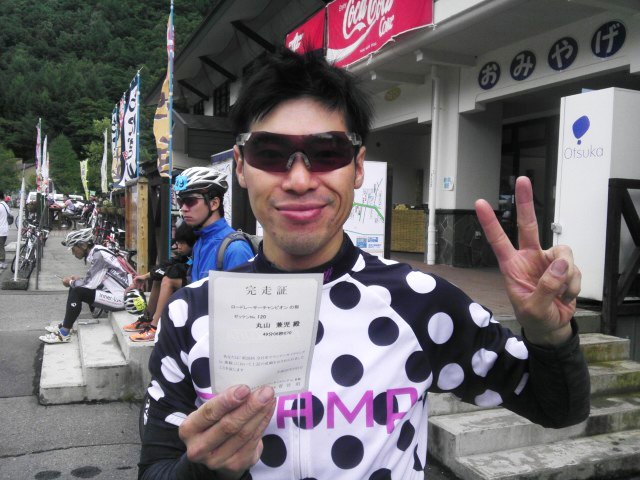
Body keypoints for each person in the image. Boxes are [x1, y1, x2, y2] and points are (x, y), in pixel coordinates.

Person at [138, 50, 589, 479]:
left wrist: (550, 335)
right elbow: (155, 467)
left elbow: (558, 408)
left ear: (357, 167)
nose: (299, 179)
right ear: (240, 167)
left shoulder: (420, 302)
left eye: (328, 152)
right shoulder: (189, 314)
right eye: (270, 154)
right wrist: (203, 470)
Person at [39, 228, 130, 344]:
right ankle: (66, 325)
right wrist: (78, 280)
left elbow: (90, 285)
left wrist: (70, 282)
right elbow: (96, 279)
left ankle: (64, 334)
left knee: (77, 290)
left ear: (83, 245)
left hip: (120, 299)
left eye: (73, 249)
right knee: (76, 287)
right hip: (113, 292)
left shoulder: (99, 256)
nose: (73, 253)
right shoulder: (97, 251)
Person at [174, 166, 254, 281]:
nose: (183, 208)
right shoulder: (199, 242)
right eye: (180, 202)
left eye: (190, 201)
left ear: (214, 203)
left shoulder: (236, 249)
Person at [123, 221, 197, 342]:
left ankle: (155, 327)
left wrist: (161, 272)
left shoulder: (197, 250)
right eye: (178, 242)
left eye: (182, 243)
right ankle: (147, 318)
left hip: (198, 284)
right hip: (190, 279)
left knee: (167, 280)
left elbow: (176, 271)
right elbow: (168, 265)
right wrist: (145, 276)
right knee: (158, 277)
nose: (179, 246)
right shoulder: (187, 253)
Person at [0, 190, 9, 269]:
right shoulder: (5, 205)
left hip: (1, 230)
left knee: (1, 247)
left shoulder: (0, 206)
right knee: (1, 246)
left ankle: (2, 262)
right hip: (5, 229)